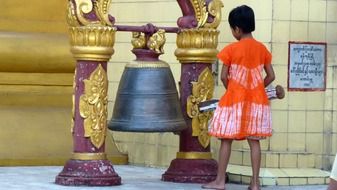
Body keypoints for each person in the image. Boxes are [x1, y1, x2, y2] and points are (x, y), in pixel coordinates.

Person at [202, 5, 275, 190]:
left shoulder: (231, 49)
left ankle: (219, 182)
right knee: (254, 140)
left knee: (226, 139)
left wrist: (233, 89)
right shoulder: (262, 49)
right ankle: (255, 183)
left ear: (237, 29)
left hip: (234, 100)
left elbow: (224, 76)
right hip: (257, 101)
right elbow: (271, 76)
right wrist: (257, 88)